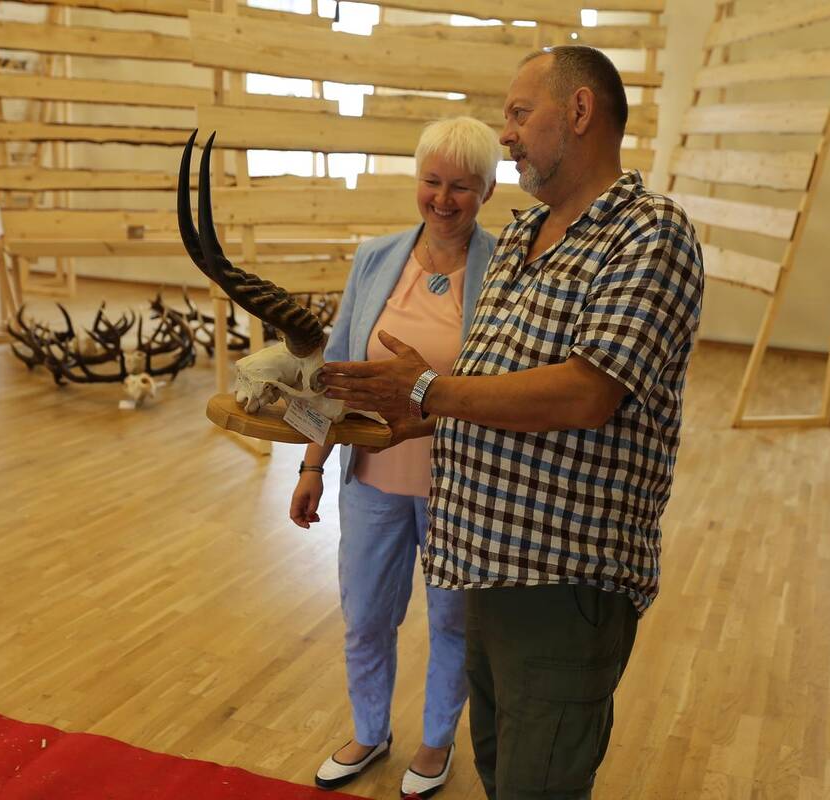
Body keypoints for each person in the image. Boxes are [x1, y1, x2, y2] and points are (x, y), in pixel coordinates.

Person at [320, 46, 704, 799]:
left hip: (562, 578)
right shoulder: (526, 236)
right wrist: (411, 416)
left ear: (580, 112)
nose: (507, 133)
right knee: (503, 775)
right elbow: (487, 388)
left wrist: (426, 390)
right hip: (484, 570)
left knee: (539, 783)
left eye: (521, 113)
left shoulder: (647, 232)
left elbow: (587, 393)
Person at [288, 116, 502, 797]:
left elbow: (505, 388)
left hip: (461, 488)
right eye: (432, 181)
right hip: (372, 481)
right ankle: (369, 731)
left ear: (488, 191)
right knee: (366, 618)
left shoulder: (507, 270)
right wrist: (312, 465)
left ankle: (436, 742)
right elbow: (336, 370)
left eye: (462, 186)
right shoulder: (376, 258)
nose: (443, 199)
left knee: (452, 624)